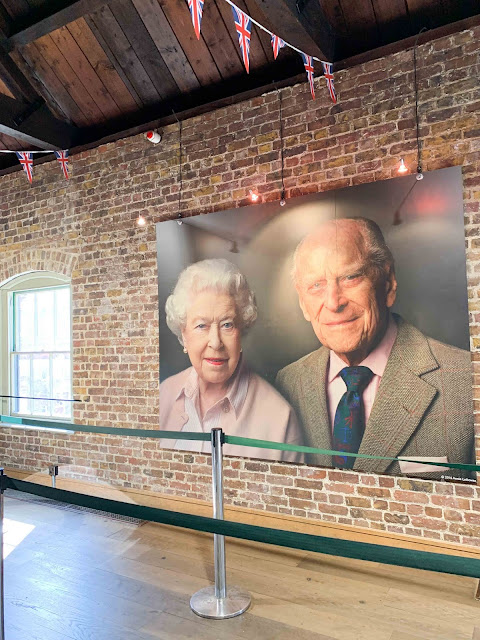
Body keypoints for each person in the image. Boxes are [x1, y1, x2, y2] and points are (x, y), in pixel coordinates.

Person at [276, 217, 474, 477]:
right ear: (303, 303)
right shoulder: (288, 382)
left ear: (388, 283)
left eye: (350, 277)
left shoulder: (467, 381)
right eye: (316, 286)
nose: (333, 302)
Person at [159, 258, 303, 461]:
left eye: (227, 325)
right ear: (184, 334)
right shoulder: (164, 394)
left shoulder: (280, 420)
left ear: (241, 330)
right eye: (202, 326)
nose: (215, 342)